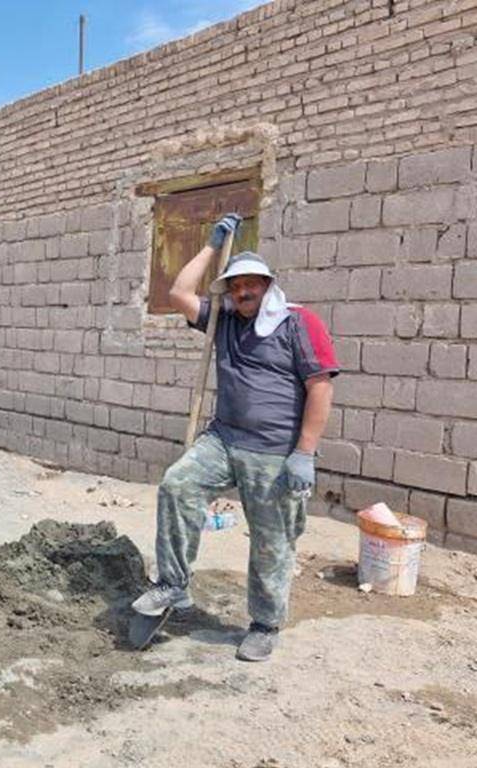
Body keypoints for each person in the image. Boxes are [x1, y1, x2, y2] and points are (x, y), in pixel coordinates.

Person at [132, 213, 338, 662]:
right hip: (223, 439)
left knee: (271, 541)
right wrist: (211, 246)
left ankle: (265, 624)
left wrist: (304, 453)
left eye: (252, 285)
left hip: (275, 451)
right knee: (178, 484)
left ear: (268, 286)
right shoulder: (221, 321)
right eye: (235, 285)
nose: (243, 292)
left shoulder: (297, 323)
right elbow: (178, 293)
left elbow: (320, 386)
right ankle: (173, 582)